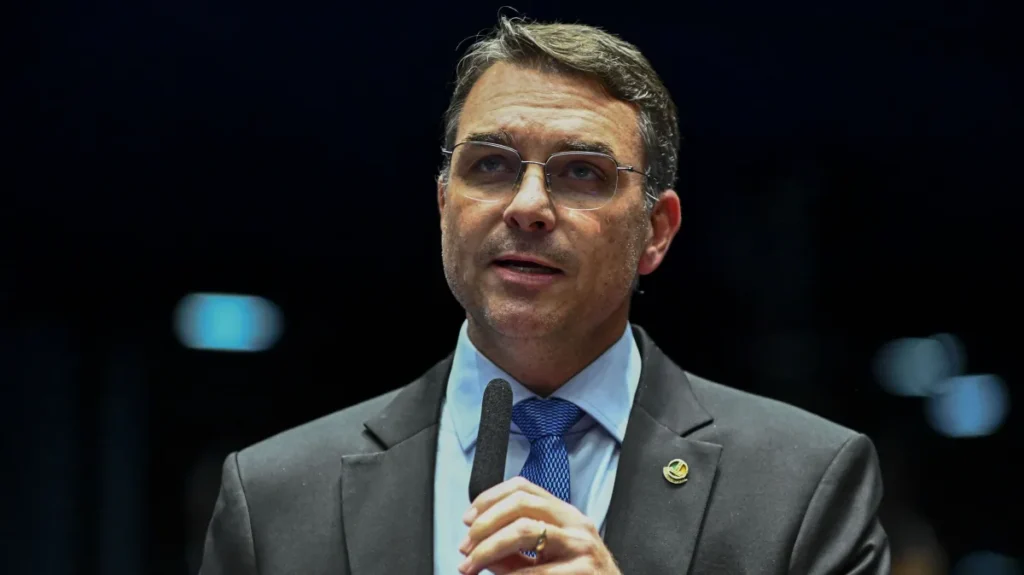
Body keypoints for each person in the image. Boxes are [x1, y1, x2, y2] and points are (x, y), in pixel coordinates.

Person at [199, 16, 889, 575]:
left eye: (581, 172)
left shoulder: (802, 485)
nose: (527, 205)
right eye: (490, 165)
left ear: (656, 231)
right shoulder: (274, 498)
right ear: (444, 207)